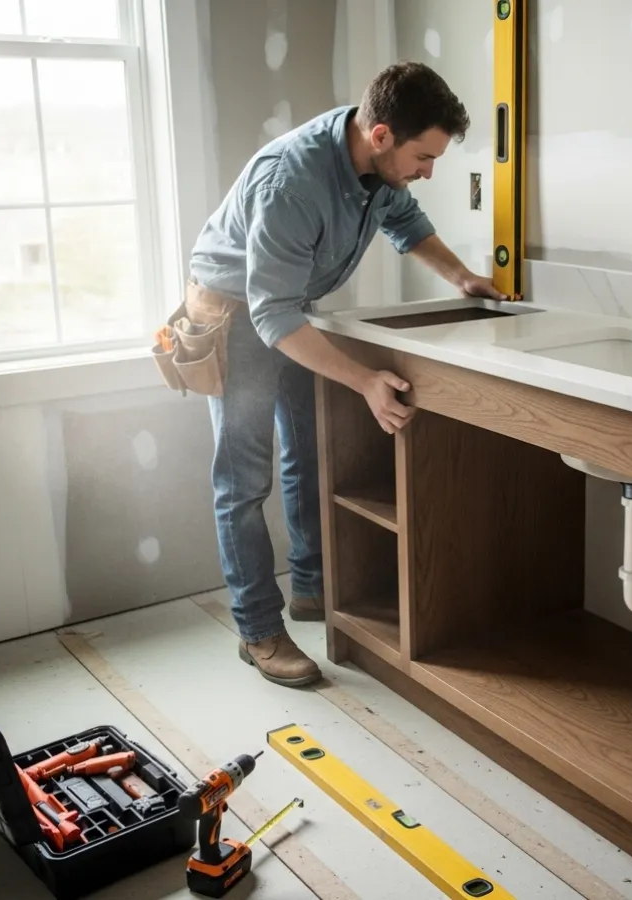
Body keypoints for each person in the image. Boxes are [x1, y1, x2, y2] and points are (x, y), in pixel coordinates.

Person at [187, 62, 505, 688]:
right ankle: (258, 631)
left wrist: (462, 278)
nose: (428, 172)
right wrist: (362, 380)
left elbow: (405, 223)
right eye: (423, 157)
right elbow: (270, 314)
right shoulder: (293, 184)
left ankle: (311, 588)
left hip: (287, 306)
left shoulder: (372, 164)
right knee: (243, 480)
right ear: (382, 135)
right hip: (236, 313)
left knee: (312, 449)